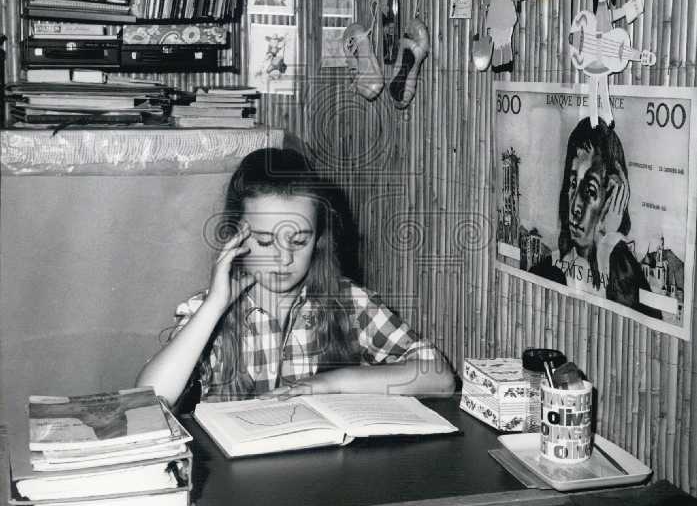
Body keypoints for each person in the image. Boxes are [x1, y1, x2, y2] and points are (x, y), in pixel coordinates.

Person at [137, 148, 455, 405]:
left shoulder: (350, 301)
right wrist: (214, 306)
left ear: (318, 239)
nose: (284, 258)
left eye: (299, 241)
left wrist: (330, 383)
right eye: (265, 240)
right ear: (237, 237)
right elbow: (152, 398)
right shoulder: (206, 313)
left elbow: (439, 376)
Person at [531, 118, 660, 318]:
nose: (574, 206)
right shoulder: (548, 271)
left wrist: (610, 240)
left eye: (589, 191)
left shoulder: (628, 277)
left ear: (613, 198)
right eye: (573, 184)